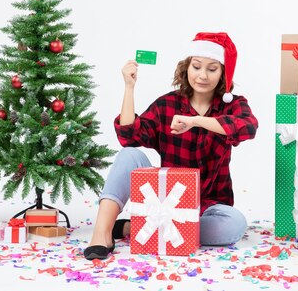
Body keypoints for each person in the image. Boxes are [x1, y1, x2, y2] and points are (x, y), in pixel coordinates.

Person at [83, 31, 259, 260]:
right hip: (163, 201)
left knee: (234, 224)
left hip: (208, 207)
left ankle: (134, 229)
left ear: (224, 73)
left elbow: (247, 127)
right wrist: (129, 87)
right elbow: (129, 136)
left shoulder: (233, 104)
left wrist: (195, 121)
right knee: (128, 154)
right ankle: (102, 234)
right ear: (187, 68)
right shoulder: (168, 103)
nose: (202, 75)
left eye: (212, 69)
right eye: (196, 67)